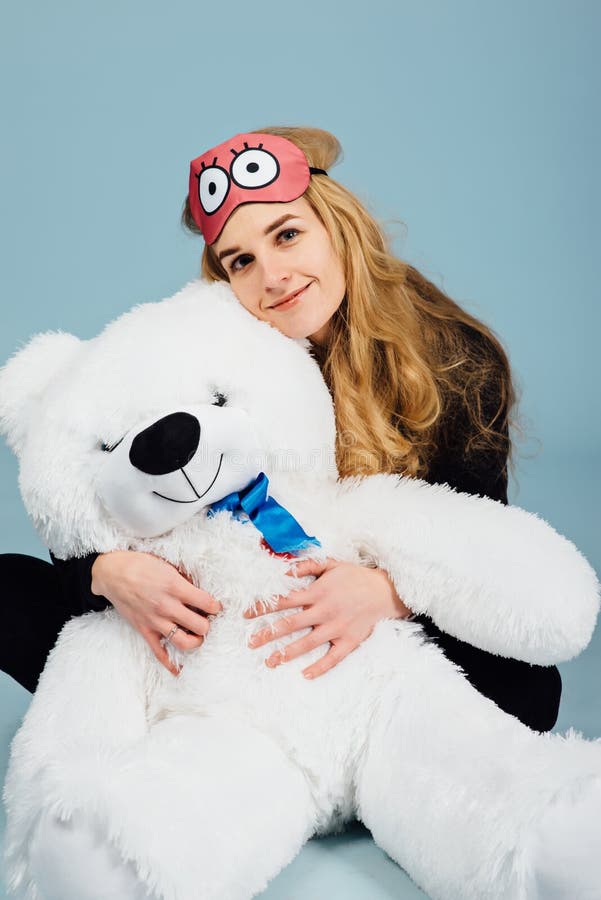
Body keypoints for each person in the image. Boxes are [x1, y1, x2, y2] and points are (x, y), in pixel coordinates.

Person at [1, 126, 561, 732]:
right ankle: (214, 722)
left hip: (369, 626)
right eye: (241, 261)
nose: (272, 276)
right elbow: (102, 496)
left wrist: (387, 594)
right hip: (229, 618)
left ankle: (309, 742)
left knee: (529, 686)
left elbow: (481, 543)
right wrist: (104, 575)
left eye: (288, 235)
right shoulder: (222, 351)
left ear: (337, 228)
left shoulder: (454, 361)